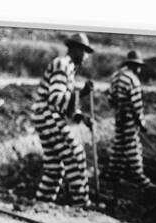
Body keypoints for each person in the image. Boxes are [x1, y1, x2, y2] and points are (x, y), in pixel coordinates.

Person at [30, 33, 95, 206]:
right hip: (48, 115)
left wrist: (83, 118)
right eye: (84, 51)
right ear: (75, 49)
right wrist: (81, 93)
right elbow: (56, 98)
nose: (86, 56)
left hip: (47, 116)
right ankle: (81, 204)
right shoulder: (62, 64)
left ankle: (41, 204)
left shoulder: (69, 69)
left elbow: (67, 105)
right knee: (75, 155)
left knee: (55, 166)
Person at [106, 50, 155, 189]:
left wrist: (118, 110)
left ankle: (113, 174)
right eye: (139, 66)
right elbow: (136, 105)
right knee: (133, 146)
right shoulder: (133, 79)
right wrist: (141, 123)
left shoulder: (115, 76)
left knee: (119, 145)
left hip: (118, 116)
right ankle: (139, 176)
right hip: (128, 118)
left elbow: (110, 99)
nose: (139, 69)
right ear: (134, 65)